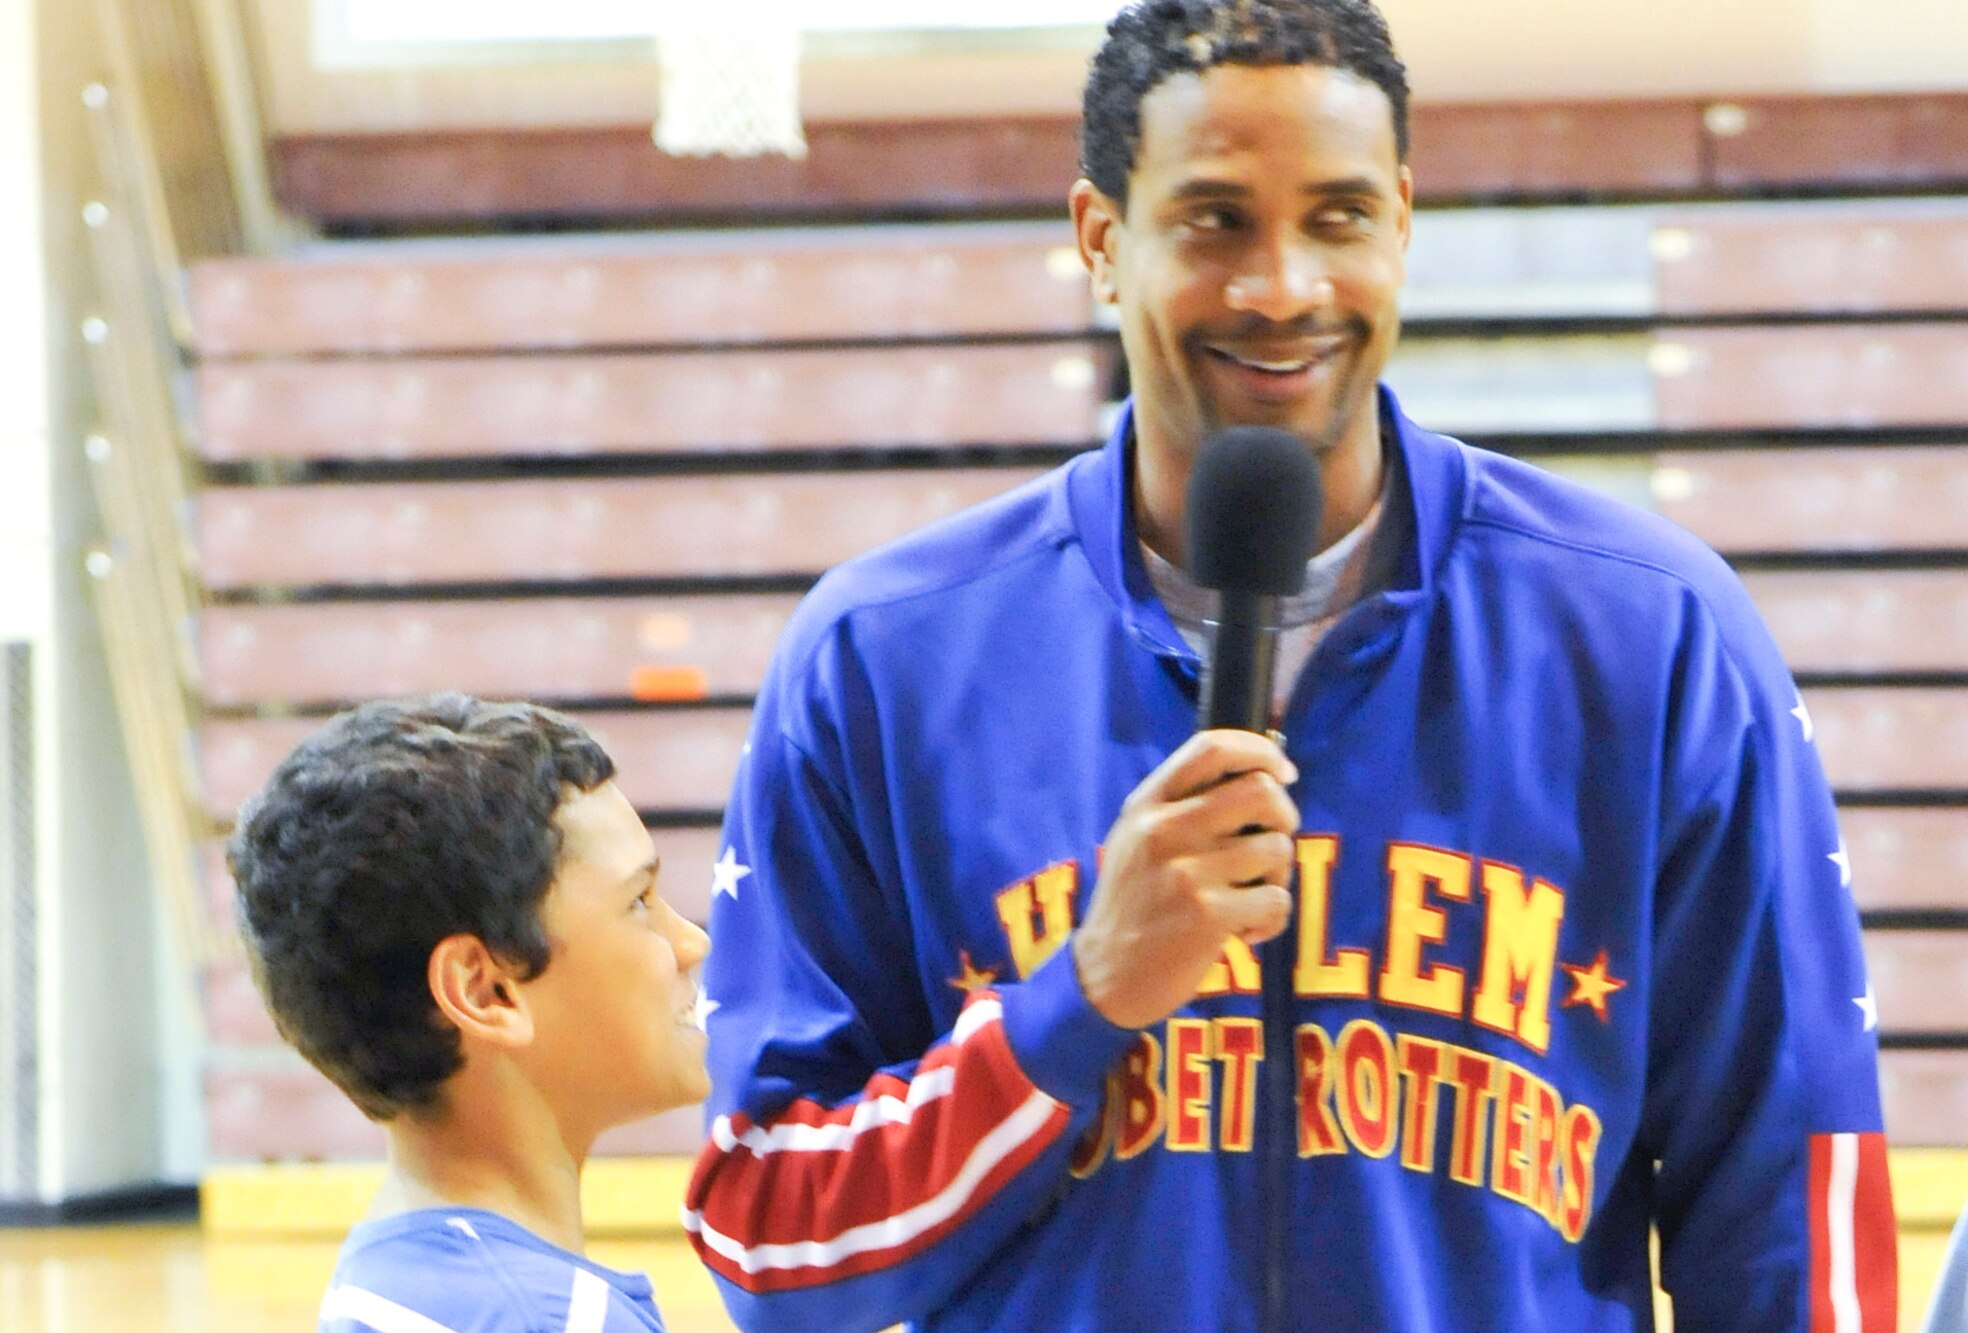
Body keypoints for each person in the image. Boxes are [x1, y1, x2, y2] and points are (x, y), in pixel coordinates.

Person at [685, 1, 1899, 1328]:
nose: (1281, 288)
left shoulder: (1647, 633)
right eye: (1214, 218)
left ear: (1402, 225)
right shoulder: (885, 661)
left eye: (1337, 216)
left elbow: (1793, 1193)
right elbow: (769, 1245)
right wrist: (1077, 1003)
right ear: (1102, 240)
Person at [230, 694, 710, 1333]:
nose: (690, 942)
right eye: (640, 902)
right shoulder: (542, 1319)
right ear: (486, 993)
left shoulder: (398, 1275)